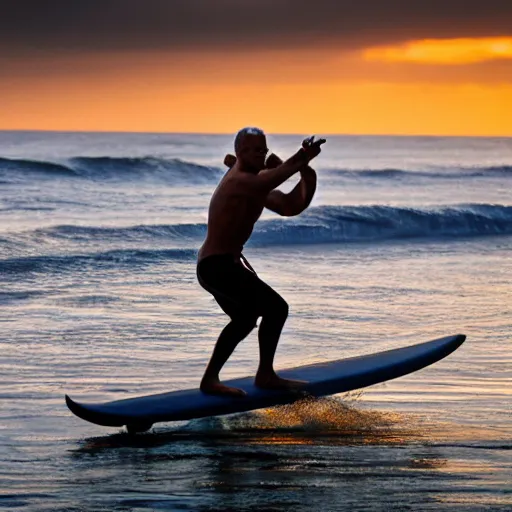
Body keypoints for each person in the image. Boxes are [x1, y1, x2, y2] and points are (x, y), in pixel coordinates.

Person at [197, 127, 326, 396]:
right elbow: (275, 177)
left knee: (244, 319)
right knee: (277, 309)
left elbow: (291, 205)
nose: (262, 154)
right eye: (255, 149)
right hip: (216, 265)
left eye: (264, 150)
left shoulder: (255, 185)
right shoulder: (239, 181)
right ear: (239, 153)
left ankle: (210, 380)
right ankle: (265, 375)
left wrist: (306, 172)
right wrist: (301, 157)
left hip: (224, 265)